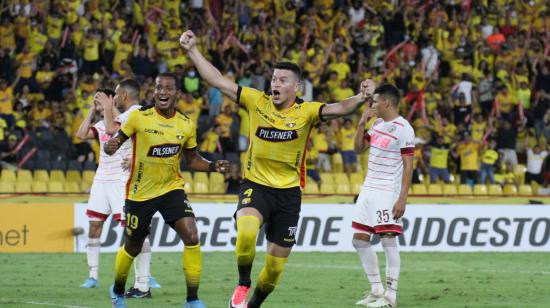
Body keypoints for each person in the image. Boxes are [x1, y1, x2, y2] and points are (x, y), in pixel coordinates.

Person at [180, 29, 375, 308]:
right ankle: (243, 283)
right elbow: (217, 80)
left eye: (283, 80)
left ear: (296, 87)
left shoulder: (307, 111)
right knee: (246, 231)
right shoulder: (256, 101)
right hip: (256, 186)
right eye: (273, 78)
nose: (275, 83)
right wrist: (192, 51)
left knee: (273, 270)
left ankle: (253, 304)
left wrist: (360, 97)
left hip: (288, 195)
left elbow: (339, 109)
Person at [104, 72, 230, 308]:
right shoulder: (139, 118)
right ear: (153, 92)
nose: (162, 92)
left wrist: (213, 165)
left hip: (171, 188)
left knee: (192, 237)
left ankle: (192, 299)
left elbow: (192, 160)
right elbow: (116, 142)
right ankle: (118, 292)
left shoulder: (185, 124)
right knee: (132, 246)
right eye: (158, 88)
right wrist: (110, 147)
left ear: (177, 94)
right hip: (140, 192)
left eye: (168, 88)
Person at [76, 84, 160, 297]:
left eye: (105, 98)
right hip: (101, 180)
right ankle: (92, 276)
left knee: (133, 229)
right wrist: (92, 110)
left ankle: (145, 277)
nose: (104, 103)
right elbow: (80, 134)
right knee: (94, 226)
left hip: (122, 181)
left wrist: (134, 159)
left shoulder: (129, 118)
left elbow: (121, 131)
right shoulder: (102, 123)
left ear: (115, 98)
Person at [352, 84, 415, 308]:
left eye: (375, 101)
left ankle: (391, 297)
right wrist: (361, 124)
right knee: (359, 240)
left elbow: (409, 165)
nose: (372, 105)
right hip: (368, 189)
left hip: (388, 191)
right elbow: (358, 149)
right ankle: (376, 289)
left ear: (387, 103)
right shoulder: (377, 124)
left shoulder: (403, 128)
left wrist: (402, 198)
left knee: (388, 241)